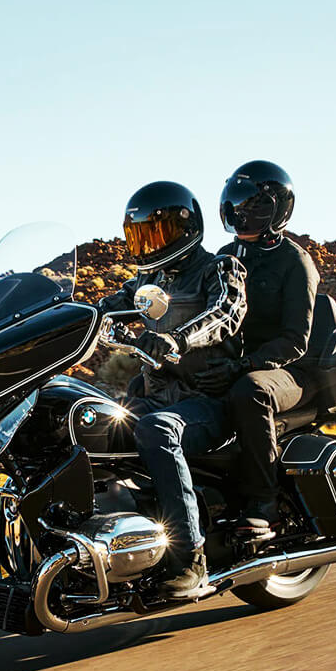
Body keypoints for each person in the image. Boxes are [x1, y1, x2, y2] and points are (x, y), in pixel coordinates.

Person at [98, 180, 247, 597]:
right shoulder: (149, 279)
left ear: (186, 227)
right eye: (141, 236)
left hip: (206, 400)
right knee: (87, 423)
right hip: (156, 396)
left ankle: (190, 558)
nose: (149, 244)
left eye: (157, 232)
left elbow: (225, 313)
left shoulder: (220, 268)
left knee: (156, 430)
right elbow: (109, 305)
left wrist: (177, 339)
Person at [193, 160, 320, 539]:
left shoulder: (296, 263)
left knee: (250, 391)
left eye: (256, 206)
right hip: (238, 363)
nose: (244, 214)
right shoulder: (224, 255)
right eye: (238, 206)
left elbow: (296, 340)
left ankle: (264, 503)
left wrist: (242, 366)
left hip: (291, 371)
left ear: (279, 210)